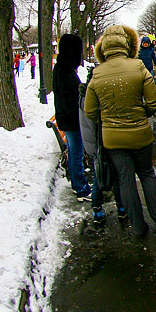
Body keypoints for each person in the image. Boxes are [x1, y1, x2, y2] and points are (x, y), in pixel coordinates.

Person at [85, 25, 156, 236]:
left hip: (113, 139)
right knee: (147, 174)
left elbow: (90, 111)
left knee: (125, 180)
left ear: (102, 48)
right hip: (140, 133)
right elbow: (154, 101)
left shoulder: (97, 73)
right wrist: (142, 114)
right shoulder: (138, 66)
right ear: (128, 45)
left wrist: (108, 120)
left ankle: (138, 227)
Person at [78, 66, 125, 226]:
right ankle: (120, 207)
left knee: (99, 175)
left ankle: (98, 208)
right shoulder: (93, 97)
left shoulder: (83, 94)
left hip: (91, 143)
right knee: (113, 175)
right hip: (101, 143)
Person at [53, 34, 91, 202]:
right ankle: (81, 188)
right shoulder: (64, 71)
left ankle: (79, 183)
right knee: (75, 153)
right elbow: (68, 98)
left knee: (76, 153)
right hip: (71, 120)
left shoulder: (64, 68)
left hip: (70, 118)